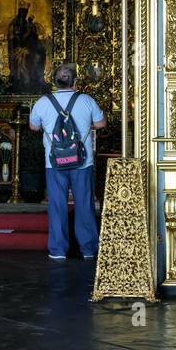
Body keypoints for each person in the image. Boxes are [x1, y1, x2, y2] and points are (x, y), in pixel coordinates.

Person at [29, 62, 106, 260]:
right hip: (82, 162)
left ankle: (58, 250)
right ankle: (88, 249)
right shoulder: (86, 100)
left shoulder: (43, 102)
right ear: (75, 82)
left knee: (57, 205)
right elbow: (100, 123)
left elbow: (33, 127)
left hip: (54, 163)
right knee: (84, 204)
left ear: (54, 82)